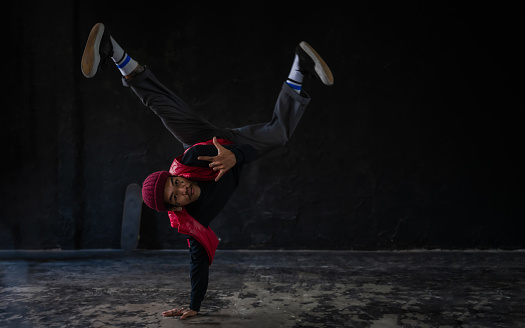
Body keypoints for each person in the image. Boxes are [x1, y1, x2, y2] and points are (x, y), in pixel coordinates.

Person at [81, 22, 333, 320]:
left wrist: (232, 156)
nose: (183, 190)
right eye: (176, 197)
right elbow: (197, 262)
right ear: (176, 207)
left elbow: (224, 149)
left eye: (175, 183)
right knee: (278, 134)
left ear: (175, 175)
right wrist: (194, 306)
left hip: (210, 144)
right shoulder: (193, 221)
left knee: (161, 104)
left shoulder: (191, 161)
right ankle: (300, 65)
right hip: (229, 151)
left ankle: (112, 50)